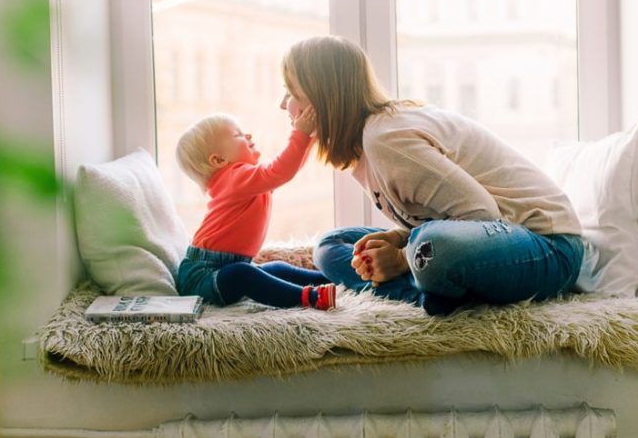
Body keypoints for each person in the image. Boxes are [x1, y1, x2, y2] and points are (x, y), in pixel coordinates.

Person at [279, 35, 584, 316]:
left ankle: (426, 287)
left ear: (323, 100)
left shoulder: (386, 139)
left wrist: (400, 257)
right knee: (332, 245)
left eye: (292, 93)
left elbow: (482, 215)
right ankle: (429, 294)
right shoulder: (364, 147)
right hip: (482, 240)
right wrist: (400, 241)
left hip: (548, 247)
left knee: (432, 247)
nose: (284, 105)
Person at [175, 110, 337, 310]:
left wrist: (309, 139)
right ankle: (309, 297)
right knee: (242, 274)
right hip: (202, 277)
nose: (248, 135)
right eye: (238, 135)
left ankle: (331, 279)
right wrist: (301, 135)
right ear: (218, 161)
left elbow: (286, 171)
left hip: (226, 266)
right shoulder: (234, 178)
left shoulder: (244, 180)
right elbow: (280, 171)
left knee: (275, 268)